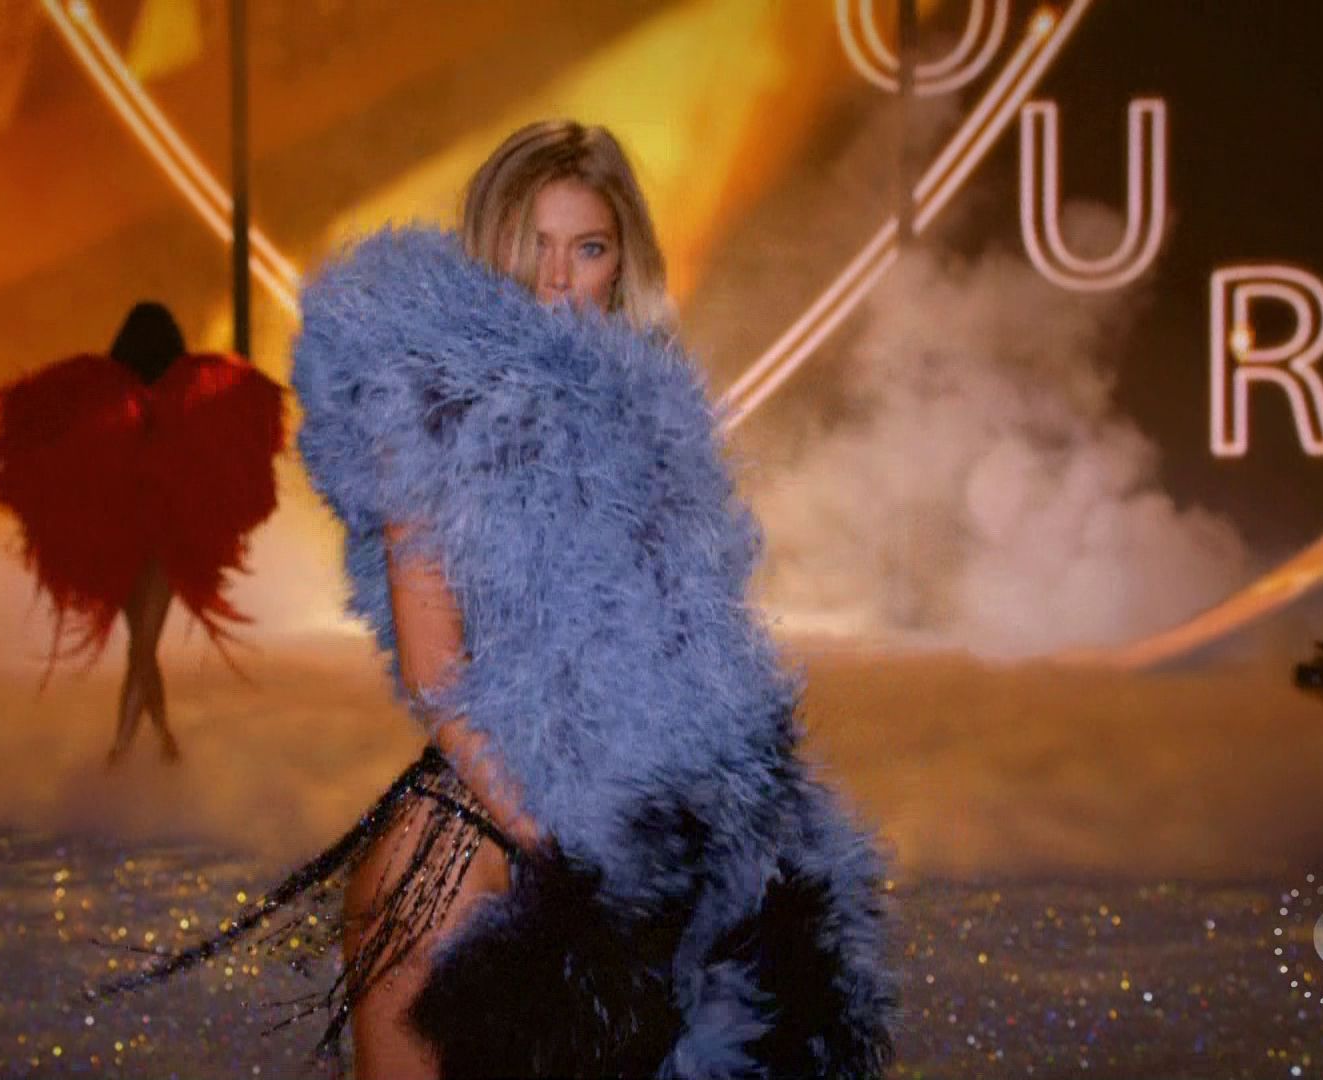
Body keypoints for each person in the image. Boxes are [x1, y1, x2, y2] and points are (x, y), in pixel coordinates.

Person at [99, 121, 898, 1078]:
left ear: (624, 262)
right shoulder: (430, 412)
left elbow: (699, 656)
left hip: (632, 855)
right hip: (485, 846)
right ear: (490, 248)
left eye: (588, 247)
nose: (557, 276)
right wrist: (558, 840)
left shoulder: (653, 426)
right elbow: (435, 670)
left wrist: (726, 829)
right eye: (533, 244)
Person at [0, 301, 286, 765]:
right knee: (144, 647)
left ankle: (149, 743)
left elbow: (66, 436)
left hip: (121, 541)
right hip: (162, 545)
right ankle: (132, 747)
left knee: (141, 648)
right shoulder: (183, 396)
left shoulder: (107, 395)